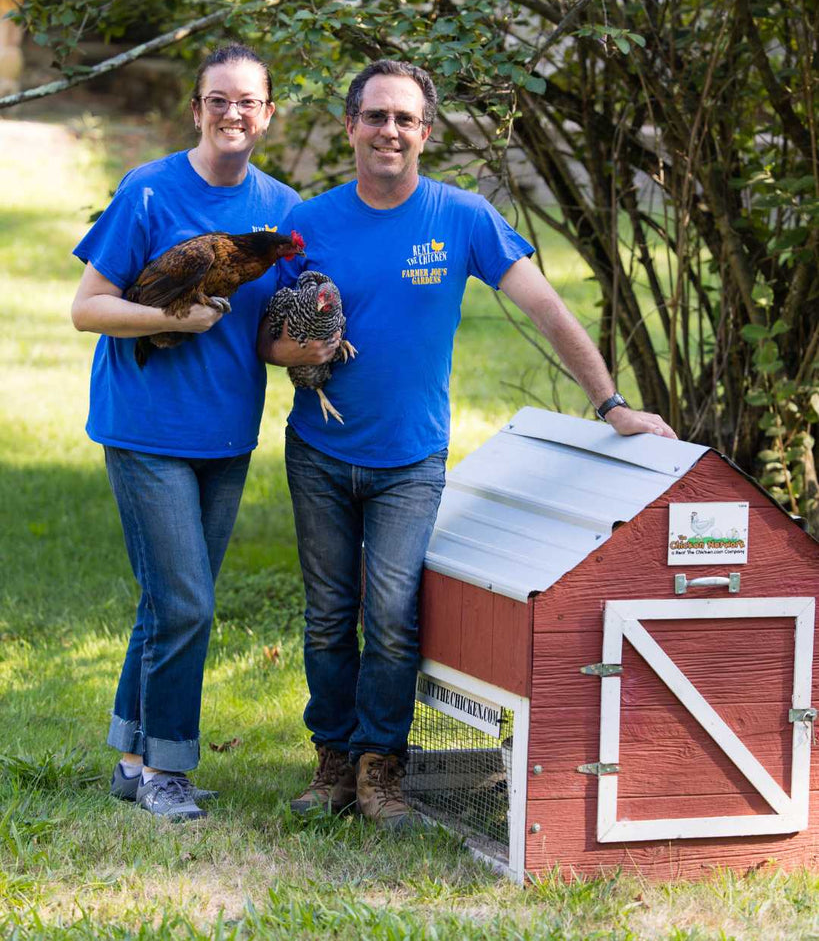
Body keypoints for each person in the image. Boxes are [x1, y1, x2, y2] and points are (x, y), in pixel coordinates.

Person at [258, 58, 676, 829]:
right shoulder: (307, 224)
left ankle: (381, 765)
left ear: (424, 132)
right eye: (375, 116)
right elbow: (265, 340)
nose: (389, 130)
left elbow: (547, 309)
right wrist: (299, 349)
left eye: (404, 118)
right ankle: (332, 762)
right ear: (350, 126)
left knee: (390, 615)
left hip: (410, 461)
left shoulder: (462, 217)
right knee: (327, 615)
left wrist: (611, 403)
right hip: (318, 453)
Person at [71, 43, 308, 820]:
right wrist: (176, 318)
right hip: (145, 426)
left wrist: (307, 346)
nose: (232, 113)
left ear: (267, 114)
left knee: (167, 604)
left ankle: (130, 758)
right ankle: (167, 769)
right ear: (197, 108)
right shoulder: (149, 191)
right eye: (218, 99)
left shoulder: (281, 208)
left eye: (248, 101)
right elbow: (88, 308)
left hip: (225, 434)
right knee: (186, 605)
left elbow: (266, 332)